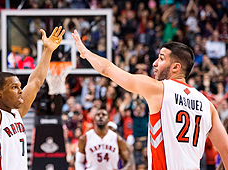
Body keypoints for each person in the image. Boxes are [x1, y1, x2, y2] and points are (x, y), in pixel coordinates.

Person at [72, 30, 228, 169]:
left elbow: (107, 69)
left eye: (161, 58)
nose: (155, 63)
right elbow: (226, 148)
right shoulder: (207, 105)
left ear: (175, 67)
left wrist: (85, 52)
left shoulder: (159, 88)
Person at [0, 7, 65, 170]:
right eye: (14, 87)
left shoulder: (16, 113)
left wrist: (47, 52)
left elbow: (36, 82)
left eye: (19, 86)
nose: (21, 90)